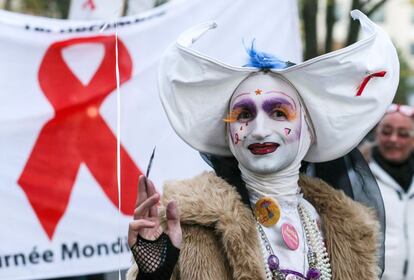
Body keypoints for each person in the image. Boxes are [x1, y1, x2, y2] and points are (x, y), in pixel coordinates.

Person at [126, 10, 399, 280]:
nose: (259, 131)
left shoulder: (343, 228)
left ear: (309, 131)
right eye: (244, 115)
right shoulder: (188, 224)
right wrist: (154, 274)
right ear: (227, 132)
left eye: (279, 113)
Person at [363, 104, 414, 280]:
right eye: (386, 131)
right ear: (377, 133)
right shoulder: (359, 179)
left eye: (403, 134)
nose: (393, 139)